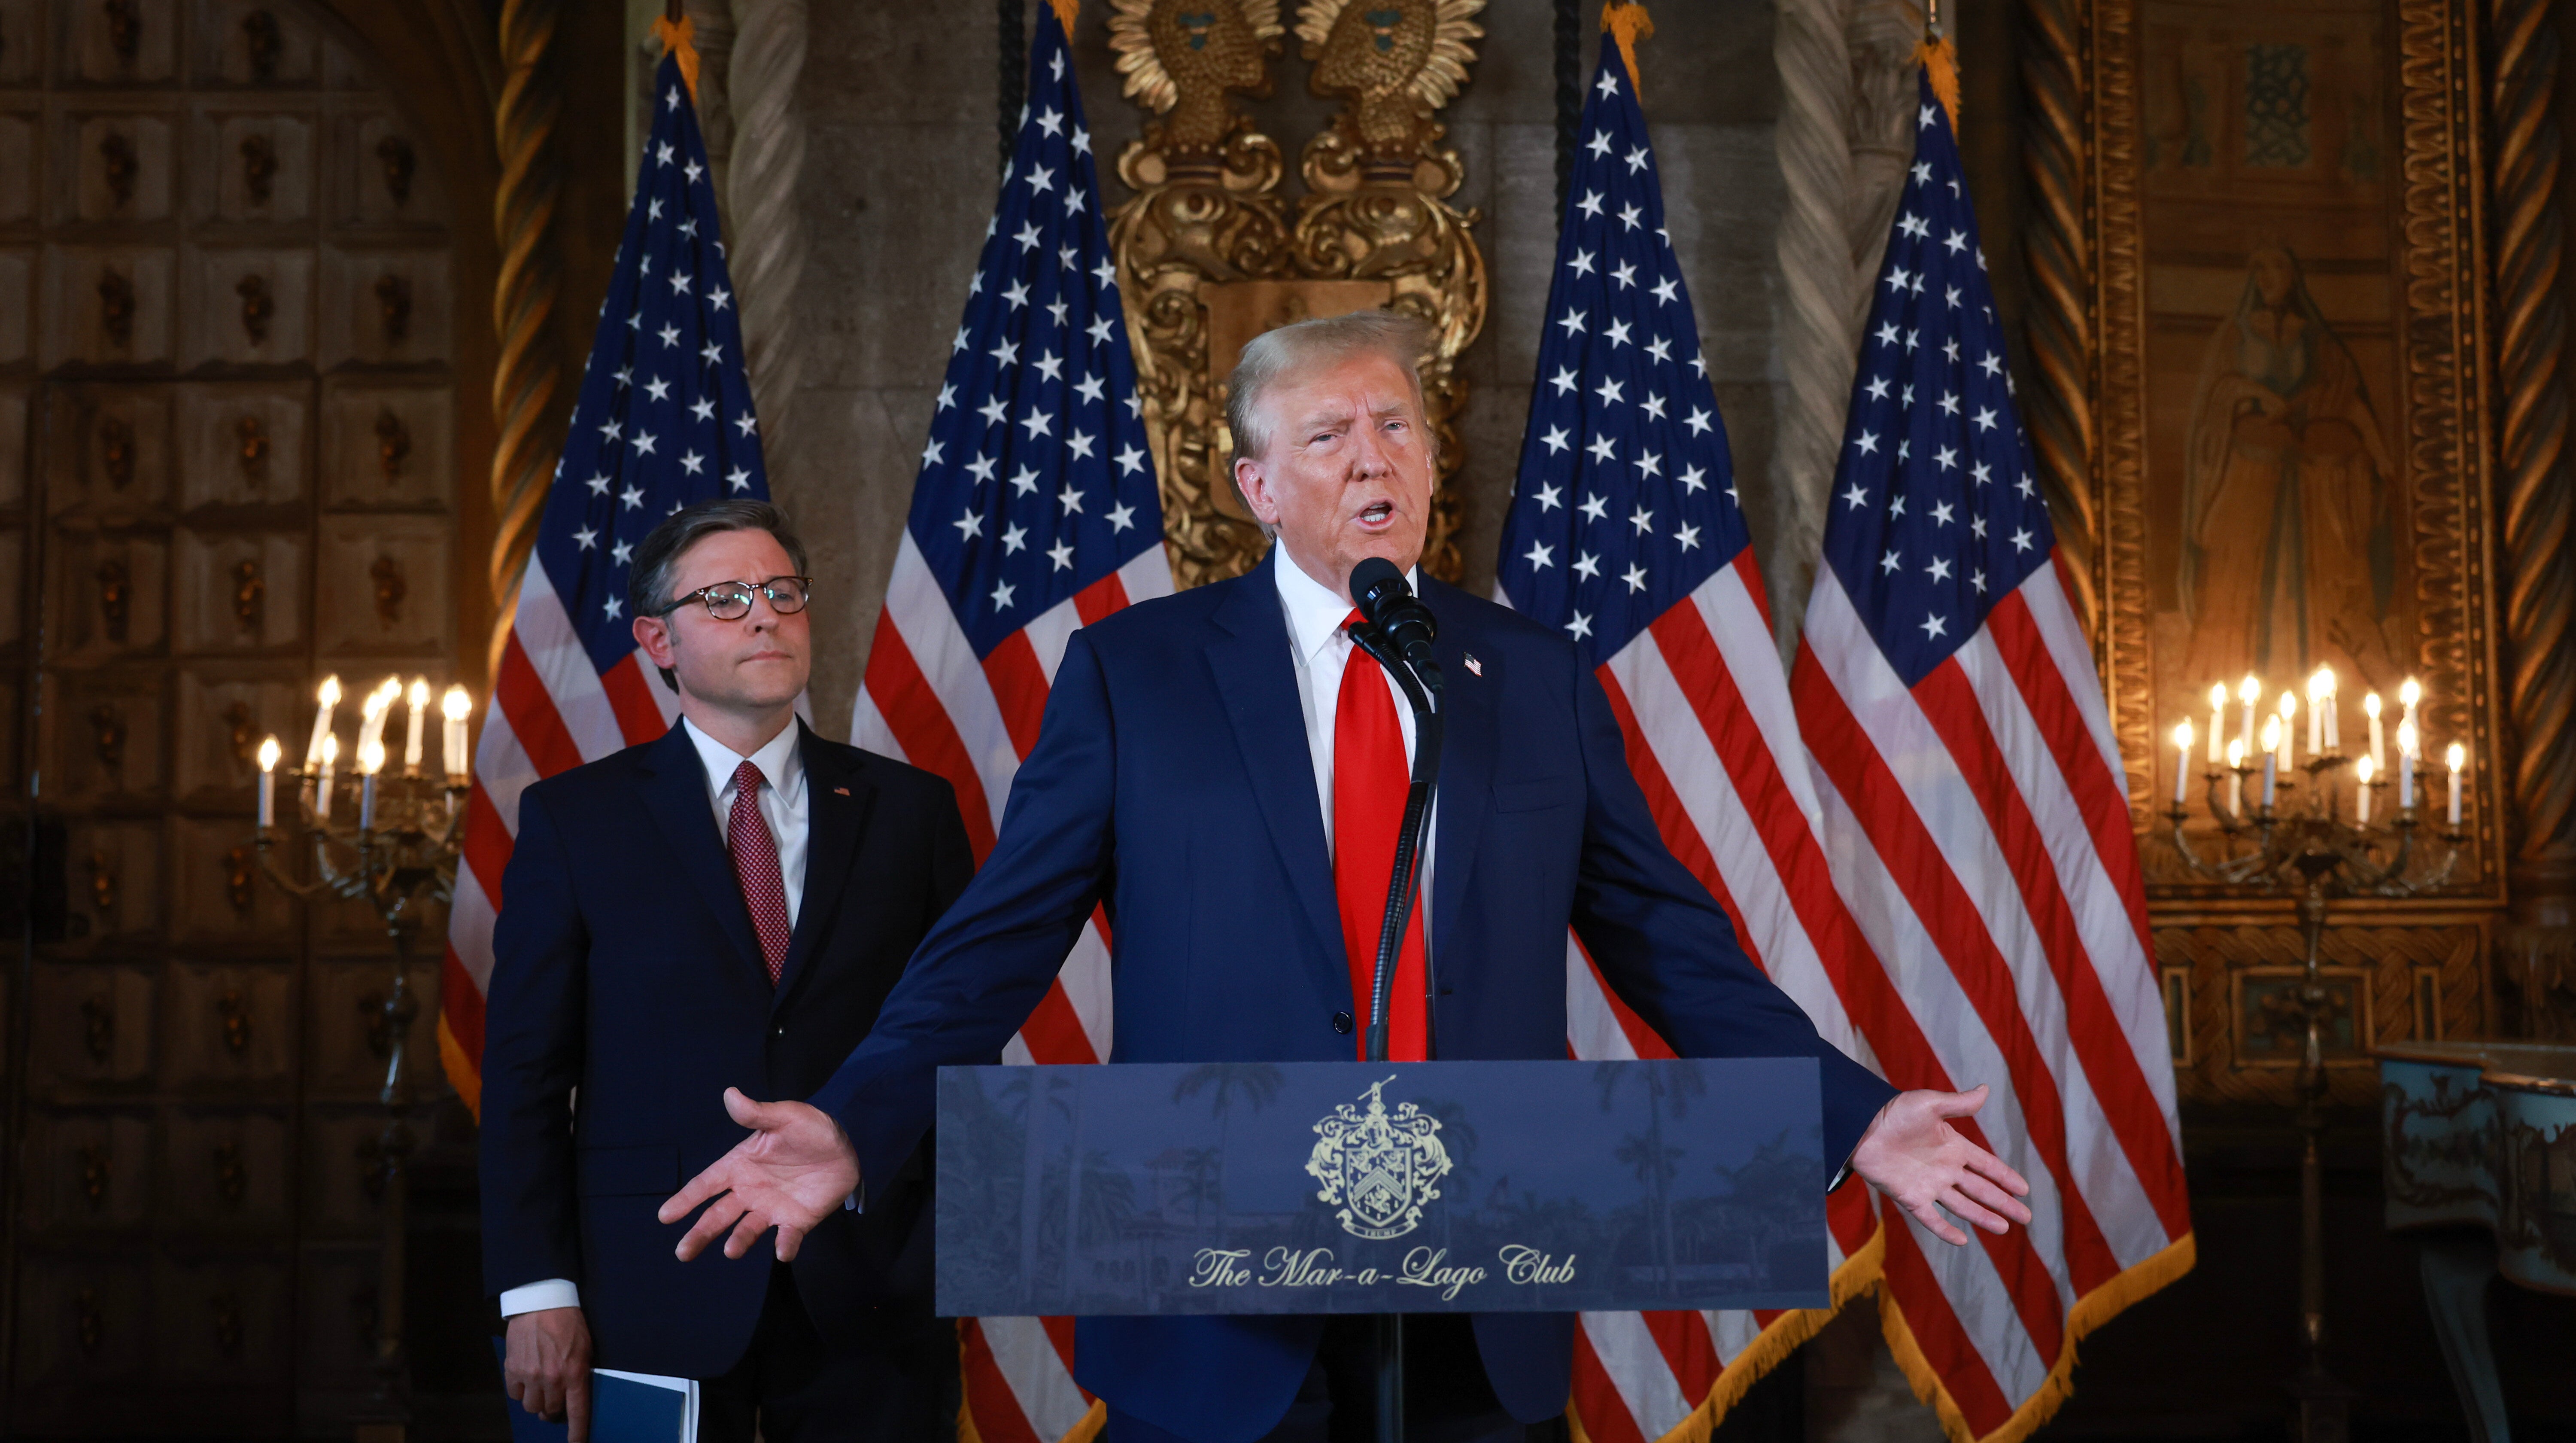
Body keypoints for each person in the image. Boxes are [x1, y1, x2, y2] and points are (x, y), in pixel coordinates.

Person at [656, 314, 2033, 1443]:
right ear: (1258, 487)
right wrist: (856, 1122)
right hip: (1215, 1301)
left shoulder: (1530, 680)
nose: (1373, 457)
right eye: (1327, 435)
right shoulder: (1139, 675)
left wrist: (1850, 1117)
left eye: (1397, 427)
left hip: (1477, 1291)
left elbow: (1673, 944)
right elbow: (990, 948)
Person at [480, 500, 974, 1442]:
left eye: (784, 592)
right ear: (657, 639)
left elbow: (957, 1044)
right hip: (646, 1289)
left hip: (871, 1293)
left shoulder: (910, 812)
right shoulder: (577, 822)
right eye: (728, 597)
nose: (765, 615)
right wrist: (536, 1291)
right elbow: (525, 1080)